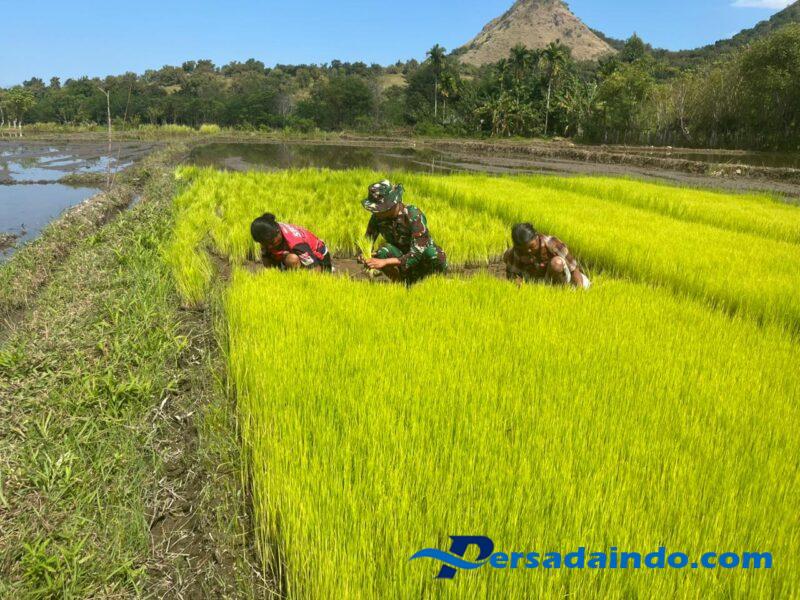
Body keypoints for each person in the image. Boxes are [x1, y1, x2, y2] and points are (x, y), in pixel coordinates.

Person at [361, 180, 447, 284]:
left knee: (433, 254)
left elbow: (417, 253)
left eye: (378, 209)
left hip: (421, 260)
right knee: (382, 252)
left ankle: (434, 284)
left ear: (392, 205)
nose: (375, 212)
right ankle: (401, 285)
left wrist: (384, 262)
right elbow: (368, 240)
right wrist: (364, 255)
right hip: (400, 258)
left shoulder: (413, 214)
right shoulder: (377, 217)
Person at [503, 223, 591, 289]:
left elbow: (573, 269)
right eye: (524, 249)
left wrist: (580, 291)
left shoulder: (552, 243)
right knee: (507, 254)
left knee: (556, 263)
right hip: (536, 282)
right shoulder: (517, 251)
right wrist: (520, 287)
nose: (528, 251)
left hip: (564, 279)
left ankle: (561, 290)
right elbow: (512, 273)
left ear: (536, 237)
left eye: (531, 246)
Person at [250, 213, 332, 272]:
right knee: (267, 258)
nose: (269, 246)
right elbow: (267, 260)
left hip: (320, 261)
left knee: (292, 260)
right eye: (264, 243)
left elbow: (315, 269)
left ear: (278, 232)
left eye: (271, 243)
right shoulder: (271, 230)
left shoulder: (296, 243)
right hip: (294, 255)